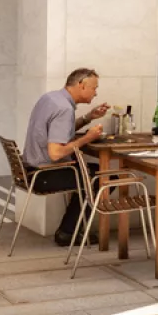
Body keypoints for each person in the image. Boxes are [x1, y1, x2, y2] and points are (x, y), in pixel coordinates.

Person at [22, 68, 112, 246]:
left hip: (30, 169)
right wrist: (88, 138)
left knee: (92, 173)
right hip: (43, 174)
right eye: (94, 88)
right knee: (102, 179)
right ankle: (67, 232)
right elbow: (55, 153)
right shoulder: (64, 108)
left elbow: (59, 132)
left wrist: (88, 117)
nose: (96, 93)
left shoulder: (51, 98)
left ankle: (71, 229)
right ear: (81, 85)